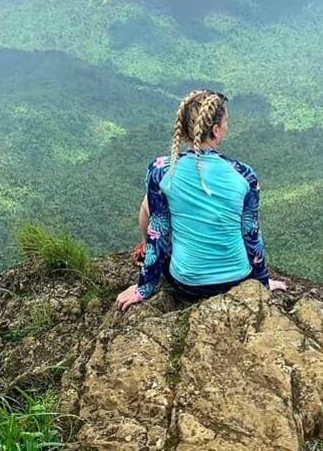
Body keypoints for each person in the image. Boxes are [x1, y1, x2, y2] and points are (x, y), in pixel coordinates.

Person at [115, 88, 287, 310]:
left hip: (187, 285)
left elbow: (159, 232)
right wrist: (262, 283)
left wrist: (143, 288)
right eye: (226, 121)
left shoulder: (161, 170)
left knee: (150, 203)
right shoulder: (245, 175)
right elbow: (251, 234)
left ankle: (144, 249)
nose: (227, 126)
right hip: (238, 280)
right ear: (215, 130)